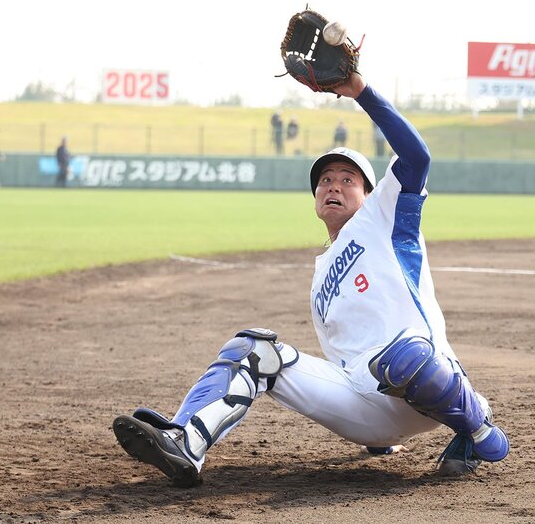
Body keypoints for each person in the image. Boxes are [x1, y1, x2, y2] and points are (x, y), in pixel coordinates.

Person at [113, 71, 510, 487]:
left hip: (429, 382)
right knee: (251, 349)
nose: (332, 186)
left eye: (346, 180)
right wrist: (380, 443)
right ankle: (185, 440)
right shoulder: (321, 275)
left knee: (403, 356)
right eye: (324, 180)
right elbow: (343, 357)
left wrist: (360, 92)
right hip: (365, 408)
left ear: (370, 193)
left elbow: (417, 158)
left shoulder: (386, 219)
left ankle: (477, 427)